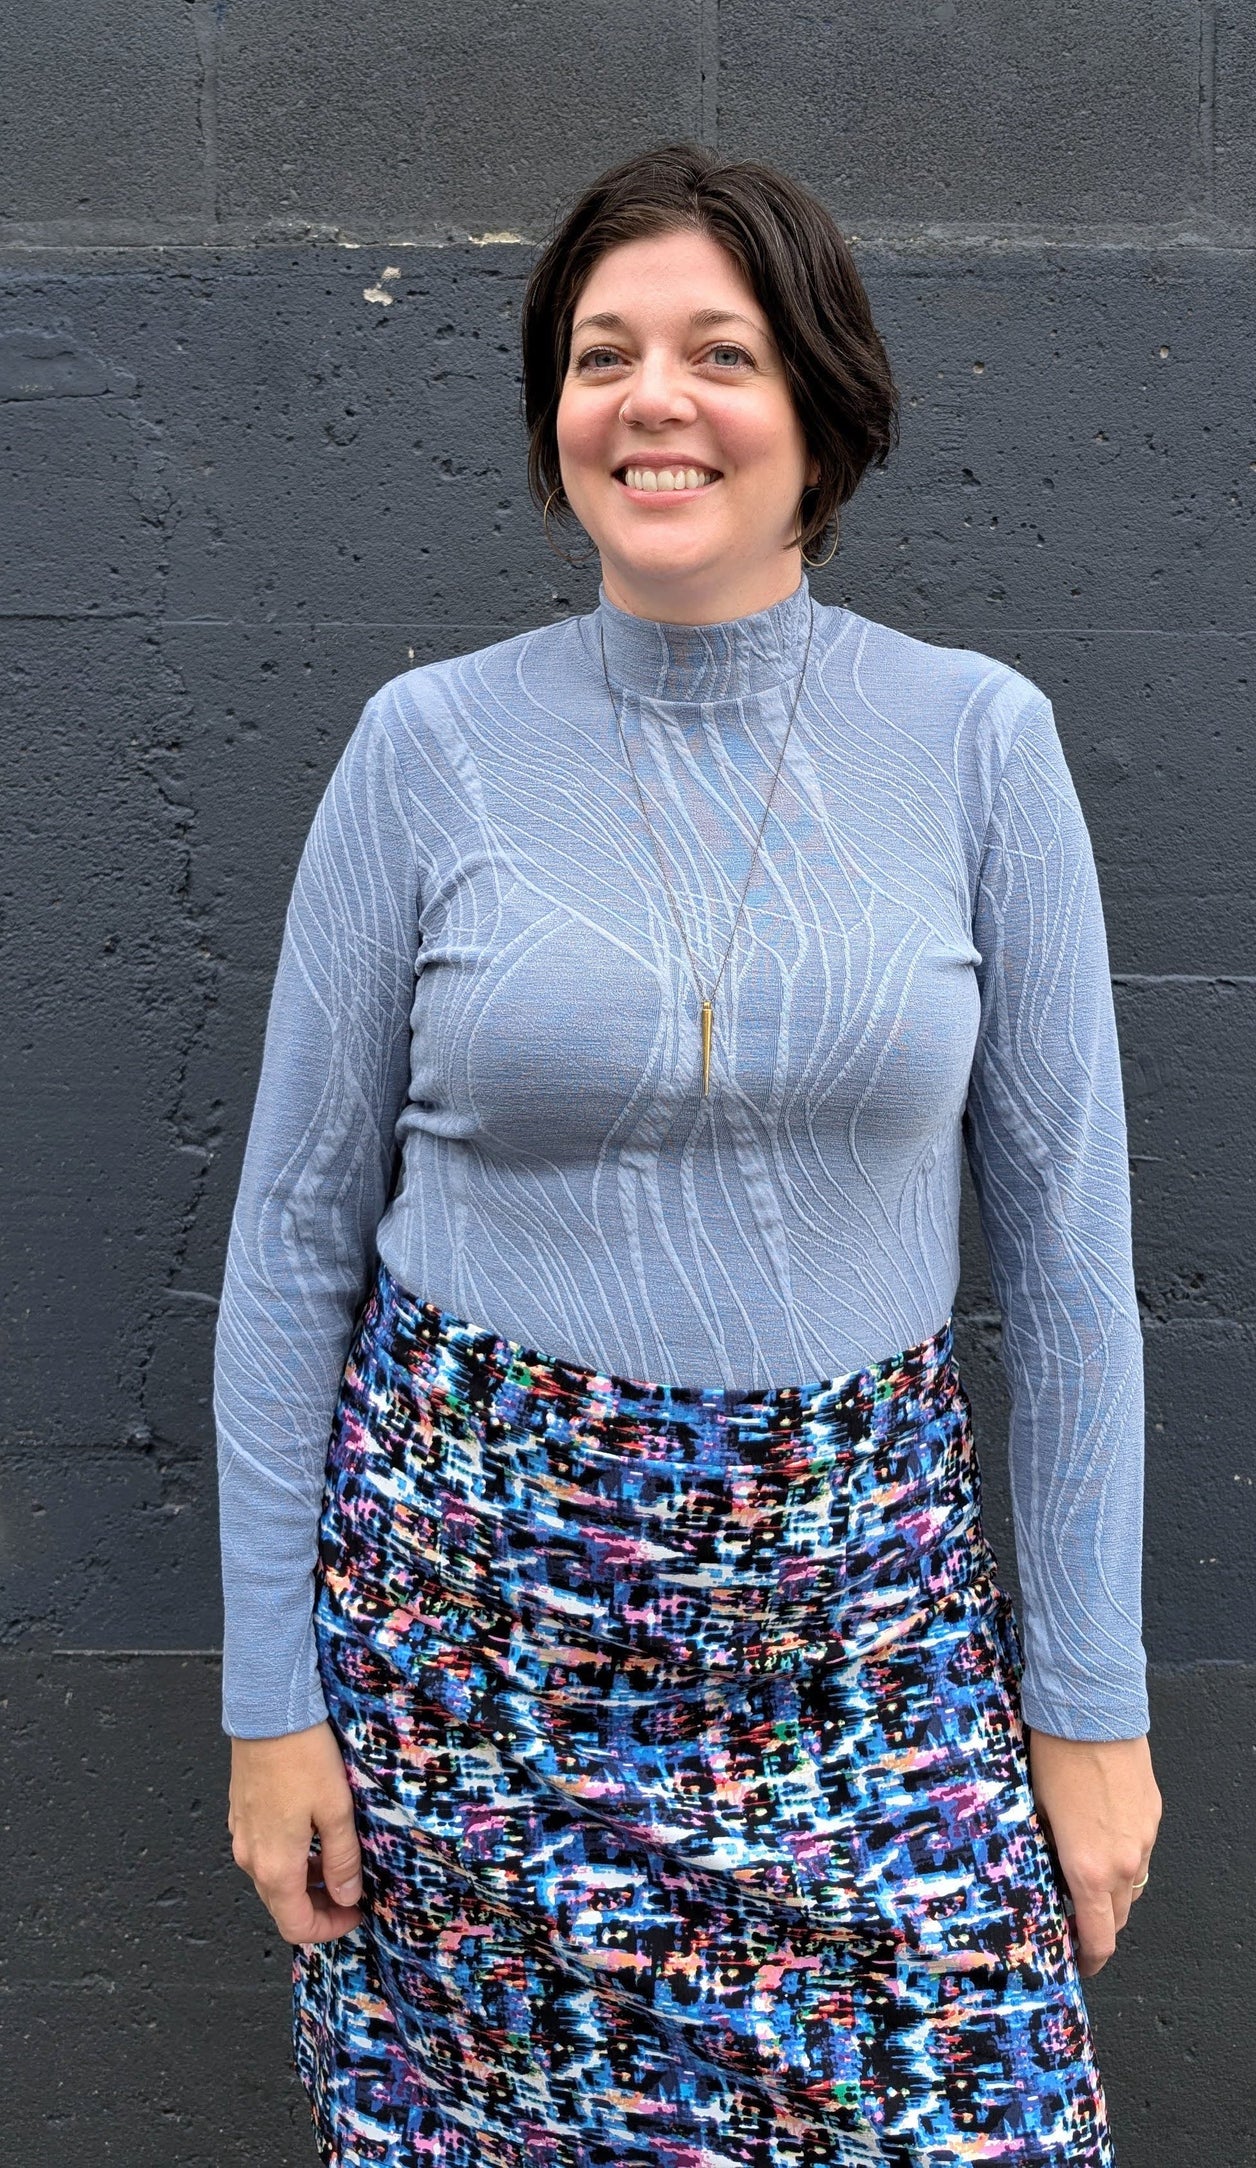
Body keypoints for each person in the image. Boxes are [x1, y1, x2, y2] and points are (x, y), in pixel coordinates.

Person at [218, 139, 1162, 2168]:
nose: (652, 399)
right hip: (472, 1666)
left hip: (867, 1652)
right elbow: (295, 1242)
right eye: (599, 354)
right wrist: (267, 1702)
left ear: (819, 403)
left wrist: (1090, 1710)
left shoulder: (980, 744)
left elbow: (1073, 1263)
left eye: (718, 351)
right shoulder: (426, 750)